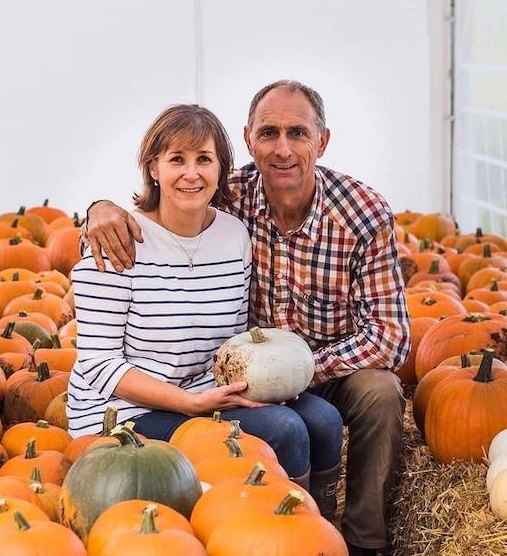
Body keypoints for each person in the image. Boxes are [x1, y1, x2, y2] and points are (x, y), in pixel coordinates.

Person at [86, 80, 410, 556]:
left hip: (329, 365)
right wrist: (97, 209)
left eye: (298, 133)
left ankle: (356, 540)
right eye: (269, 133)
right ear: (248, 140)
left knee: (374, 395)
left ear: (322, 141)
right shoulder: (223, 195)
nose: (283, 149)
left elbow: (391, 337)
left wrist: (296, 373)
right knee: (291, 428)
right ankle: (288, 531)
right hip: (207, 386)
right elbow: (159, 202)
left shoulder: (361, 213)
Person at [68, 103, 343, 502]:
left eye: (204, 159)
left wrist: (270, 381)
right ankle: (278, 518)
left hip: (206, 393)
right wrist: (190, 403)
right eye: (176, 159)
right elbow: (98, 364)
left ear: (221, 169)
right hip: (125, 413)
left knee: (323, 420)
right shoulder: (119, 239)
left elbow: (233, 339)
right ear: (153, 168)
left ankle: (321, 525)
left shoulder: (233, 236)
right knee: (283, 429)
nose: (191, 173)